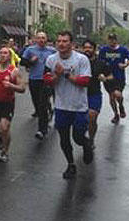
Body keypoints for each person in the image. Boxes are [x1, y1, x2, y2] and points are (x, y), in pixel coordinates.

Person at [43, 31, 93, 179]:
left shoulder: (81, 59)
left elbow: (85, 81)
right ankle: (71, 165)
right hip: (61, 106)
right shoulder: (51, 59)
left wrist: (65, 74)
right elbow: (46, 80)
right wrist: (56, 75)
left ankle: (86, 144)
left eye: (65, 41)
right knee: (64, 138)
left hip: (79, 106)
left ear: (71, 44)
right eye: (59, 41)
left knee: (77, 137)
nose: (61, 44)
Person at [0, 46, 26, 162]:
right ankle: (3, 137)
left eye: (5, 53)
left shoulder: (14, 71)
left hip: (7, 103)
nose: (2, 55)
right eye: (1, 53)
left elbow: (22, 88)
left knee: (4, 127)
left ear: (10, 56)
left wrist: (12, 86)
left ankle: (5, 152)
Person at [21, 32, 56, 140]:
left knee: (42, 104)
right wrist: (30, 62)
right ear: (36, 39)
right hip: (34, 79)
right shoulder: (30, 50)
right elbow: (22, 62)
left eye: (43, 38)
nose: (41, 40)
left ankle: (42, 129)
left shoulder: (52, 51)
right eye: (39, 38)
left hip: (46, 81)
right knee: (37, 103)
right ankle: (48, 111)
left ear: (46, 39)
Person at [82, 39, 111, 146]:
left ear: (94, 49)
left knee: (92, 117)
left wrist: (105, 78)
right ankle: (83, 133)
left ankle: (91, 139)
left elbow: (110, 75)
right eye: (85, 47)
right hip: (80, 94)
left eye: (89, 47)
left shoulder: (101, 63)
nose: (87, 50)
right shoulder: (79, 61)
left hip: (94, 94)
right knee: (81, 121)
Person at [98, 33, 129, 123]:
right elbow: (99, 62)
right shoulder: (104, 50)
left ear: (116, 40)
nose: (112, 41)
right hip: (108, 77)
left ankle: (121, 106)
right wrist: (101, 72)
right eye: (110, 39)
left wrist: (125, 65)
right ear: (108, 40)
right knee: (111, 97)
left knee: (118, 94)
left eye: (113, 39)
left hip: (119, 77)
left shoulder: (123, 50)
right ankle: (116, 114)